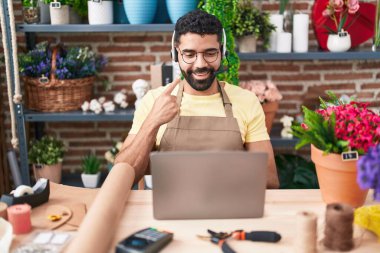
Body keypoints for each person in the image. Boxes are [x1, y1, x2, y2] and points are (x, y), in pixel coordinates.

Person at [115, 10, 279, 189]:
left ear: (222, 53)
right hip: (168, 212)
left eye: (210, 53)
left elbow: (270, 180)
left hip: (230, 210)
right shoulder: (154, 100)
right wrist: (152, 122)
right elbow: (123, 176)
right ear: (175, 54)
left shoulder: (246, 101)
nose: (200, 64)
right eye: (189, 54)